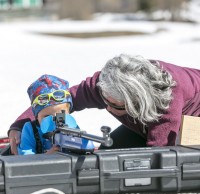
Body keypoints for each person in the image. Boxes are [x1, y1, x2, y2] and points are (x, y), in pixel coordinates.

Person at [8, 54, 200, 155]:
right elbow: (58, 99)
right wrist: (18, 125)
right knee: (107, 155)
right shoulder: (105, 83)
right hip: (146, 119)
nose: (107, 108)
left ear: (135, 101)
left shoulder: (168, 101)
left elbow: (159, 154)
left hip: (192, 117)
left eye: (115, 106)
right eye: (104, 101)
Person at [17, 74, 94, 155]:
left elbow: (83, 147)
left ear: (68, 112)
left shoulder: (71, 126)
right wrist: (47, 157)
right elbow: (25, 159)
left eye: (60, 115)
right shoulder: (30, 129)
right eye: (46, 116)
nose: (54, 120)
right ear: (36, 116)